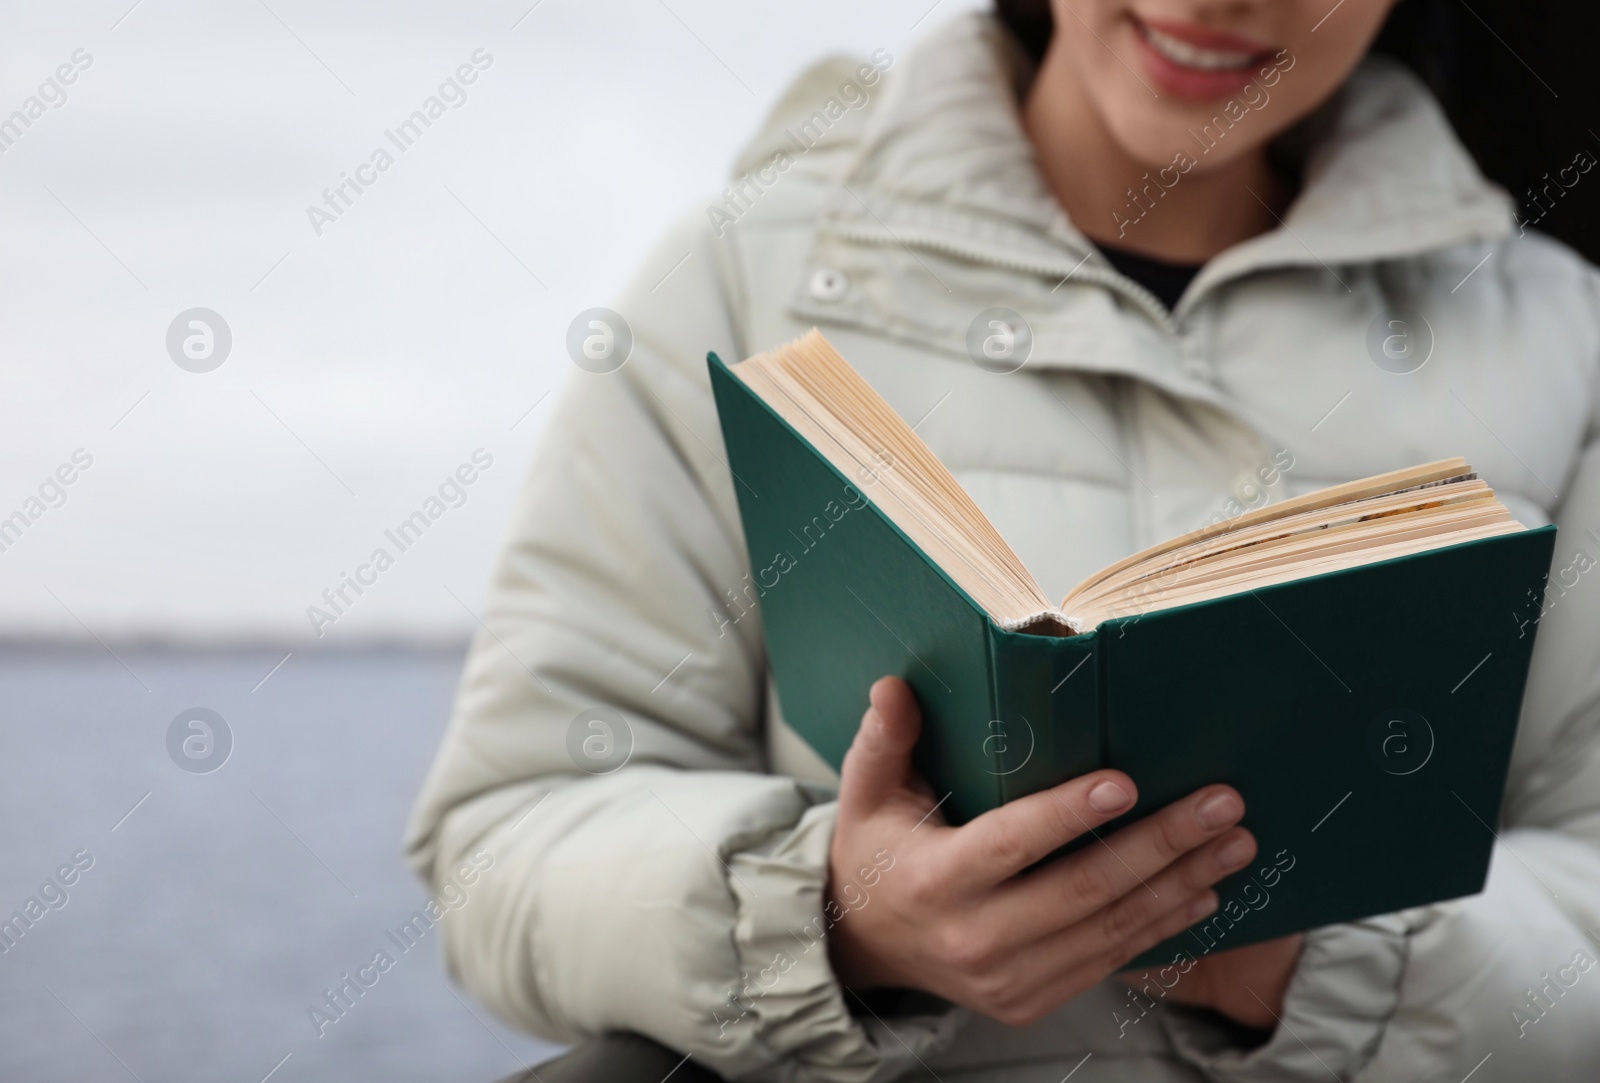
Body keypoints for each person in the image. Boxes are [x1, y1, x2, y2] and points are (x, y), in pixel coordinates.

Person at [406, 1, 1600, 1079]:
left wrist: (1301, 970)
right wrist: (837, 919)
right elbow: (502, 843)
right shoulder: (741, 282)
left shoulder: (1563, 341)